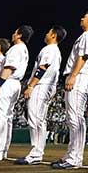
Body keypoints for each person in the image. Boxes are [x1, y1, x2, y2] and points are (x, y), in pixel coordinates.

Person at [52, 11, 88, 170]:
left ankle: (74, 158)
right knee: (73, 117)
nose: (81, 18)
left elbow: (84, 56)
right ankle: (71, 155)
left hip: (80, 76)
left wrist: (73, 75)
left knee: (75, 117)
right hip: (79, 75)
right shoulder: (86, 35)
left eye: (85, 17)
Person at [0, 26, 32, 162]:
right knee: (6, 118)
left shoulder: (16, 48)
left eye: (15, 32)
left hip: (8, 82)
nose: (13, 34)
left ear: (20, 35)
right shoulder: (24, 49)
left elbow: (9, 68)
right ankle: (2, 150)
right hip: (16, 84)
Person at [15, 26, 66, 165]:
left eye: (49, 32)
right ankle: (37, 152)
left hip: (42, 85)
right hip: (47, 86)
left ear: (54, 35)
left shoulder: (49, 49)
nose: (46, 34)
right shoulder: (55, 51)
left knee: (35, 119)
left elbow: (43, 67)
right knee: (39, 119)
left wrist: (31, 85)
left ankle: (36, 153)